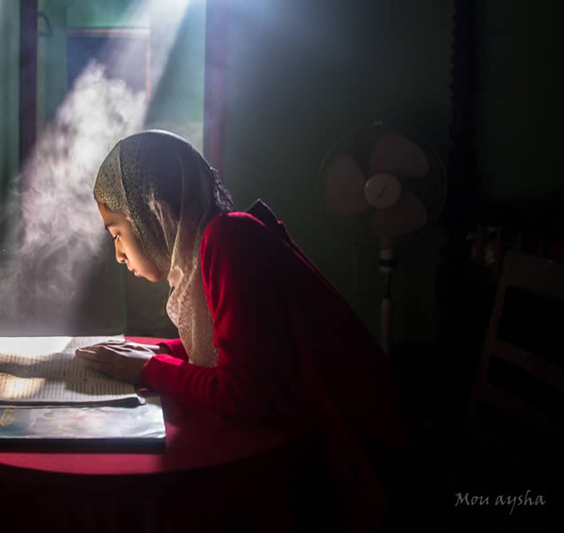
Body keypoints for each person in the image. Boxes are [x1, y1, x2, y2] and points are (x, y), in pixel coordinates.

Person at [75, 130, 413, 531]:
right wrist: (160, 352)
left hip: (346, 465)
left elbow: (243, 394)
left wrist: (146, 368)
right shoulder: (215, 241)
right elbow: (238, 342)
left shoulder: (228, 239)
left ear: (155, 213)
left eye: (117, 233)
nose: (118, 253)